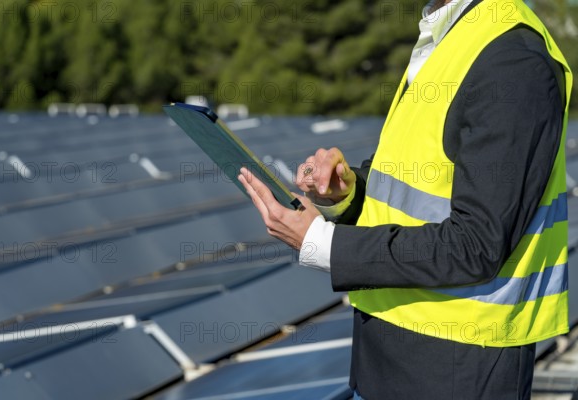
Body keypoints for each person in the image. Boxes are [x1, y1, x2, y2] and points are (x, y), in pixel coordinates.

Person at [238, 0, 573, 398]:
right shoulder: (450, 35)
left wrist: (321, 244)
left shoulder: (512, 60)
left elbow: (477, 245)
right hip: (390, 354)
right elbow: (419, 190)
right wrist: (346, 192)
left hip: (457, 367)